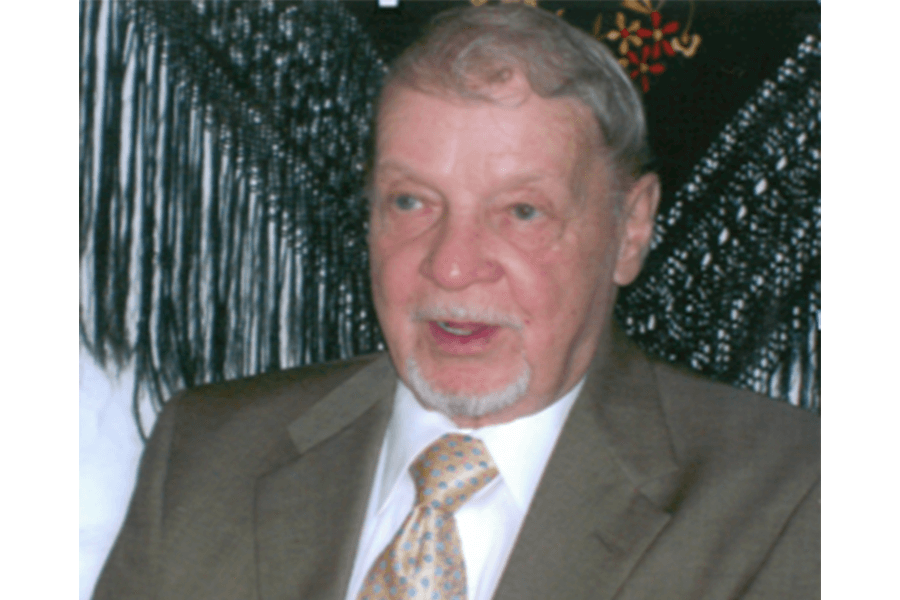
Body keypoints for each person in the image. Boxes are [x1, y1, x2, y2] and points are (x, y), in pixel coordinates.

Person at [93, 5, 819, 600]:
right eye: (411, 202)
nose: (451, 264)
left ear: (630, 229)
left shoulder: (790, 494)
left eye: (521, 212)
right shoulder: (206, 455)